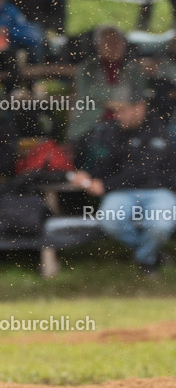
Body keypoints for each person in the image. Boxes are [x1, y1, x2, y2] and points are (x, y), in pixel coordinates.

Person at [69, 87, 176, 275]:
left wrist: (106, 185)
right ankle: (151, 255)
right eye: (115, 111)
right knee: (109, 219)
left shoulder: (159, 131)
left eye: (122, 110)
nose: (117, 116)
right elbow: (108, 163)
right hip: (123, 193)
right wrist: (89, 175)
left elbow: (142, 170)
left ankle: (146, 260)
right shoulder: (114, 131)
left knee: (160, 224)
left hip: (159, 191)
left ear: (139, 108)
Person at [67, 26, 148, 144]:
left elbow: (139, 96)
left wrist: (111, 101)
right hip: (91, 125)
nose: (113, 46)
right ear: (98, 46)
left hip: (127, 125)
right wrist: (123, 102)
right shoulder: (87, 68)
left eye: (117, 42)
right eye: (108, 42)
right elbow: (88, 93)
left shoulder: (133, 69)